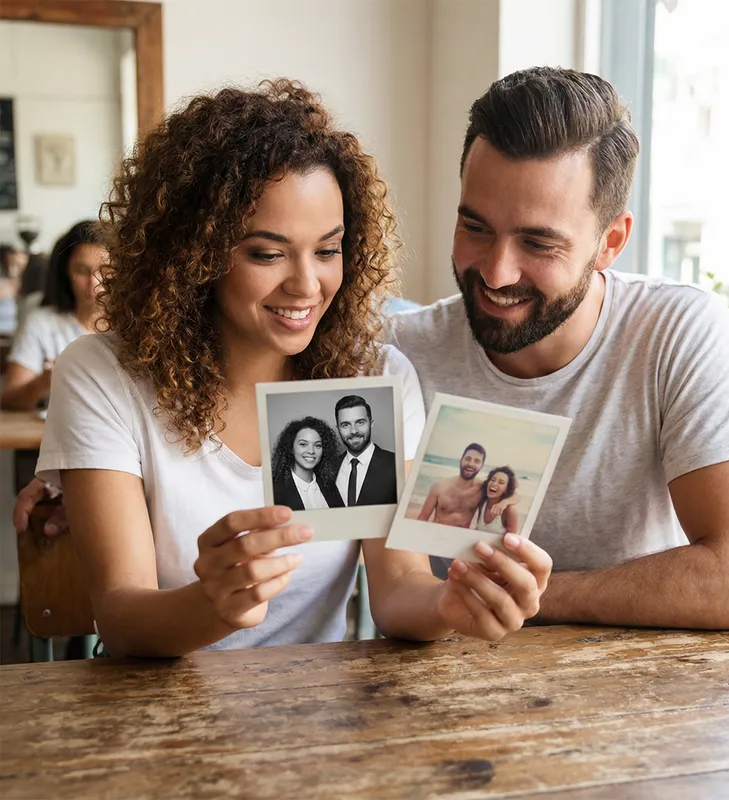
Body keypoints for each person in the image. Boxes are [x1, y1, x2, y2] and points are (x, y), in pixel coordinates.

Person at [20, 80, 550, 657]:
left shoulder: (372, 377)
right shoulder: (103, 374)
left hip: (317, 699)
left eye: (327, 250)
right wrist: (211, 605)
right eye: (267, 253)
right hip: (159, 696)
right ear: (192, 255)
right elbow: (122, 618)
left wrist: (449, 604)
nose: (306, 285)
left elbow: (398, 587)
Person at [391, 66, 729, 630]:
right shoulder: (400, 353)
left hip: (640, 680)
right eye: (476, 228)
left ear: (610, 242)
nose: (496, 273)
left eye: (537, 243)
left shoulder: (676, 331)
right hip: (449, 678)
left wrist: (527, 599)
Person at [1, 221, 106, 411]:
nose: (94, 283)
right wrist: (46, 380)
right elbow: (10, 399)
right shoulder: (41, 323)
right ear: (66, 271)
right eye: (82, 271)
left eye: (105, 271)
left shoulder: (135, 325)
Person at [334, 394, 396, 506]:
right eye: (345, 425)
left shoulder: (395, 463)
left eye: (360, 422)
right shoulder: (330, 468)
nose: (354, 431)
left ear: (371, 424)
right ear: (338, 429)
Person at [272, 416, 344, 511]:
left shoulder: (329, 485)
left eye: (317, 445)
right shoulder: (274, 489)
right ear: (291, 448)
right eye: (303, 444)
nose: (311, 451)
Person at [418, 443, 487, 527]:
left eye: (477, 461)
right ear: (461, 460)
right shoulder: (439, 486)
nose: (471, 464)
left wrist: (501, 503)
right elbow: (423, 517)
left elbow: (502, 492)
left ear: (481, 466)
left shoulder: (481, 490)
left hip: (461, 535)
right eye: (468, 459)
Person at [472, 467, 519, 535]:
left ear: (506, 489)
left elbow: (512, 537)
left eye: (501, 482)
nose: (494, 483)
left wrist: (505, 502)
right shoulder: (482, 503)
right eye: (492, 480)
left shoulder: (509, 510)